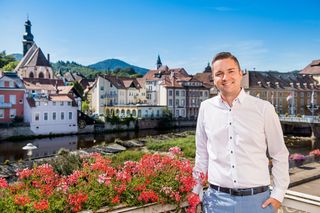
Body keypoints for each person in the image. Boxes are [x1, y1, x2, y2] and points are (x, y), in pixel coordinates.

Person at [192, 52, 289, 213]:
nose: (225, 77)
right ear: (214, 79)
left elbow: (279, 153)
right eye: (219, 74)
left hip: (258, 202)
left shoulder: (263, 108)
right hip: (216, 202)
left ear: (240, 73)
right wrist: (195, 190)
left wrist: (278, 195)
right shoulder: (206, 108)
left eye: (230, 71)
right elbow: (202, 154)